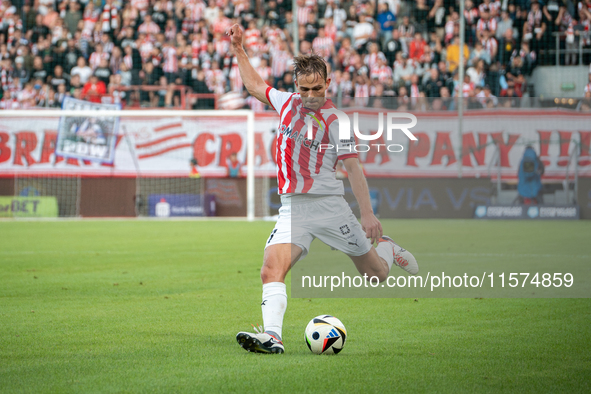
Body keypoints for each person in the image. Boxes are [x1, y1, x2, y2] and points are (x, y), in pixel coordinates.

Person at [227, 24, 418, 355]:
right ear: (296, 86)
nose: (312, 96)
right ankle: (272, 336)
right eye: (305, 89)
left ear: (328, 84)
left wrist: (368, 213)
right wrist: (239, 49)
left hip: (330, 207)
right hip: (293, 208)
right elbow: (255, 84)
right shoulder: (286, 103)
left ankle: (385, 248)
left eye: (318, 89)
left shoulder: (337, 121)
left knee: (376, 275)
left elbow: (354, 167)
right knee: (271, 268)